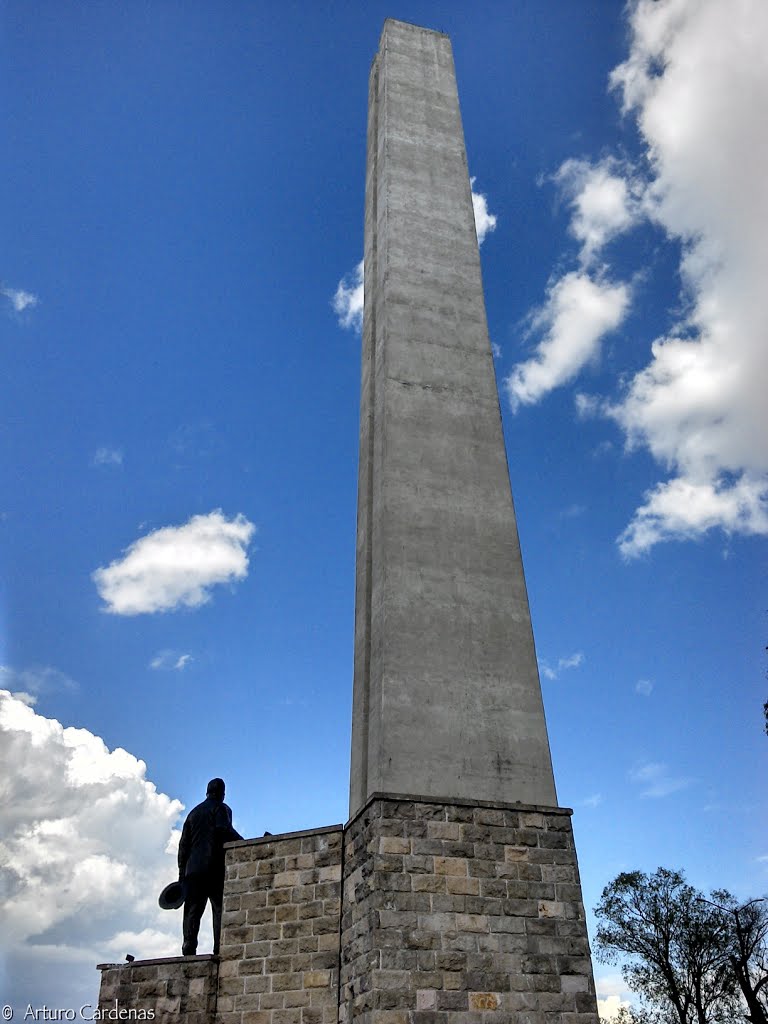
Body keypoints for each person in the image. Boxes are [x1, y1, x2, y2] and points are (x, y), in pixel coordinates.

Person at [177, 777, 242, 956]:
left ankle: (188, 948)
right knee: (219, 908)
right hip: (214, 867)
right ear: (222, 793)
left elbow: (183, 847)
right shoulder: (221, 808)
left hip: (193, 870)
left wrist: (182, 875)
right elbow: (223, 830)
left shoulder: (193, 813)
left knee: (192, 911)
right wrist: (245, 843)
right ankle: (218, 949)